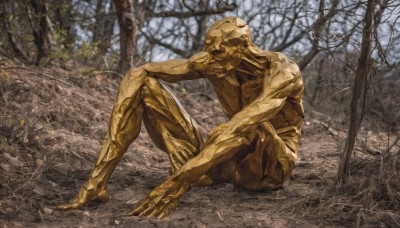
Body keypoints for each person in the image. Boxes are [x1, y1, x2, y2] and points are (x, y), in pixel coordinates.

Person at [58, 16, 304, 219]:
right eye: (209, 51)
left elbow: (243, 126)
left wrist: (177, 182)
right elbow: (140, 72)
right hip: (226, 155)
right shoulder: (214, 62)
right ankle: (97, 185)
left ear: (242, 47)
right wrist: (96, 178)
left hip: (270, 165)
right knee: (141, 80)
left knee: (250, 123)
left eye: (218, 53)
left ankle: (193, 173)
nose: (211, 59)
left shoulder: (283, 71)